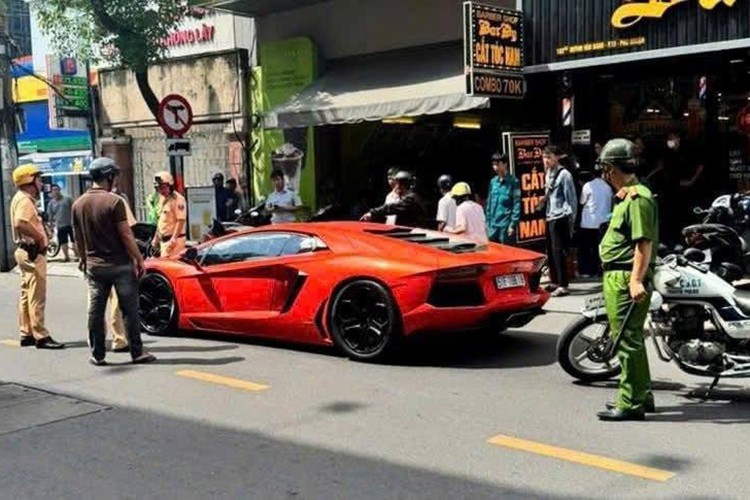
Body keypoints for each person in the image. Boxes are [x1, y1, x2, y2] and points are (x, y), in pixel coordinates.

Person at [595, 139, 658, 422]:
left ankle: (631, 402)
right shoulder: (627, 195)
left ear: (611, 168)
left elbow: (643, 244)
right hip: (617, 274)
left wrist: (635, 281)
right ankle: (641, 394)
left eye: (605, 169)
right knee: (632, 340)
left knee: (626, 342)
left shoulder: (637, 198)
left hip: (623, 277)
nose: (604, 175)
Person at [72, 157, 156, 366]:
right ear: (108, 176)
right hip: (120, 265)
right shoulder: (114, 201)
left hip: (94, 267)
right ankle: (137, 352)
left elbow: (78, 238)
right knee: (129, 309)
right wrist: (139, 259)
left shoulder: (78, 204)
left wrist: (83, 259)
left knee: (96, 310)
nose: (116, 181)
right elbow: (126, 235)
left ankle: (97, 354)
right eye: (114, 177)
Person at [10, 165, 65, 349]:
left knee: (26, 294)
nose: (41, 183)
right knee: (36, 296)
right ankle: (41, 335)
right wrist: (40, 237)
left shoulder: (21, 199)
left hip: (24, 251)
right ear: (29, 181)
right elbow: (20, 223)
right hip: (32, 252)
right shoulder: (25, 200)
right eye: (38, 179)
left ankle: (26, 332)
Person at [542, 145, 578, 297]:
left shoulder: (565, 175)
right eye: (544, 157)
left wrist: (571, 221)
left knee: (559, 252)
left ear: (557, 157)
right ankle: (555, 281)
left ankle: (563, 284)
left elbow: (572, 199)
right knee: (550, 251)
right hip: (550, 215)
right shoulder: (548, 173)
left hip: (561, 216)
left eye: (549, 157)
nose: (546, 160)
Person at [108, 181, 139, 353]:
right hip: (117, 258)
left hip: (94, 260)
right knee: (118, 300)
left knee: (95, 304)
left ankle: (96, 343)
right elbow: (128, 232)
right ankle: (119, 339)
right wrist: (137, 257)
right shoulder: (116, 201)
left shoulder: (84, 201)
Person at [578, 169, 613, 277]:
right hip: (603, 222)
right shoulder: (609, 187)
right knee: (601, 248)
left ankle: (586, 271)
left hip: (589, 222)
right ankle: (600, 270)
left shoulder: (588, 186)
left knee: (586, 248)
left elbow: (582, 202)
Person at [361, 171, 426, 228]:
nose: (396, 187)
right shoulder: (412, 196)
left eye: (397, 184)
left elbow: (392, 207)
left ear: (401, 185)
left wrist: (372, 212)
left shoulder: (411, 198)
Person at [485, 153, 521, 244]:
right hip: (492, 226)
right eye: (493, 164)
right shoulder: (493, 182)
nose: (495, 167)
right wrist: (487, 223)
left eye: (497, 164)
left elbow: (516, 204)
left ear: (505, 164)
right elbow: (489, 203)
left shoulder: (513, 182)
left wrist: (513, 224)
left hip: (505, 226)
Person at [151, 171, 187, 258]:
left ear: (170, 186)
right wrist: (155, 239)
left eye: (163, 188)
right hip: (164, 242)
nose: (161, 191)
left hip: (175, 242)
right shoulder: (162, 199)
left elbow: (180, 220)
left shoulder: (178, 199)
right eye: (158, 188)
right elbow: (161, 221)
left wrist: (173, 239)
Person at [46, 184, 76, 262]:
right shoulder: (51, 203)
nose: (56, 192)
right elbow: (50, 216)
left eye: (57, 189)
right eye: (54, 190)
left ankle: (78, 255)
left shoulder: (68, 199)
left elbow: (75, 209)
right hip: (60, 225)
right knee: (63, 242)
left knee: (74, 240)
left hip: (71, 224)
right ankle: (66, 257)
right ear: (52, 192)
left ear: (60, 190)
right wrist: (51, 227)